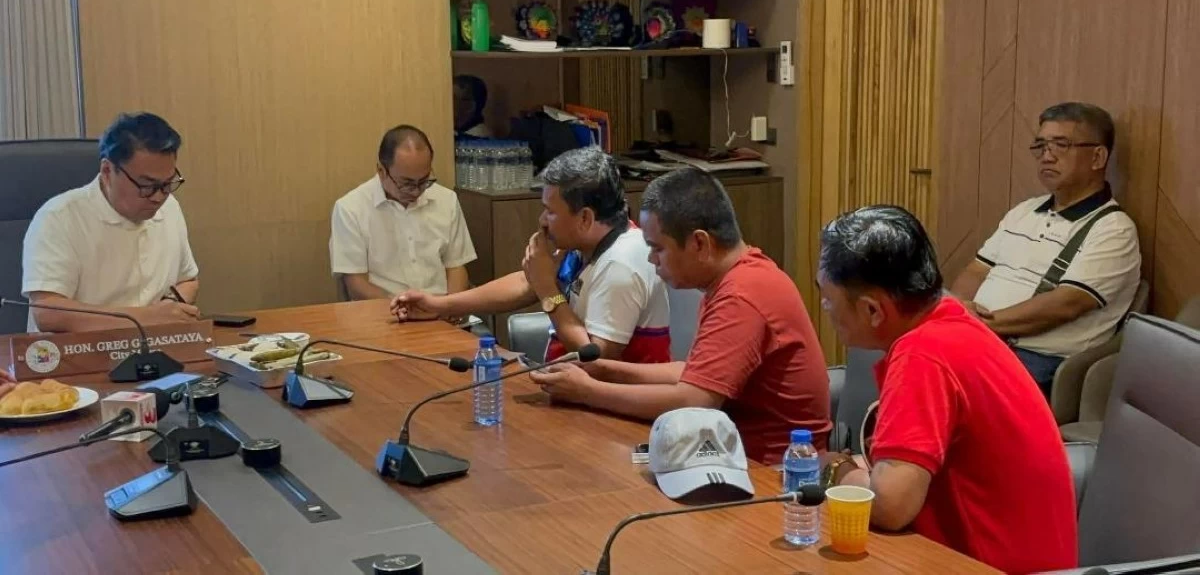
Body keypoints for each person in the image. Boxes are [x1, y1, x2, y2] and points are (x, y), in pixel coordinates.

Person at [816, 205, 1077, 574]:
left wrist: (836, 469)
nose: (825, 308)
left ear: (874, 311)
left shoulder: (923, 354)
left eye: (828, 297)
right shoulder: (954, 325)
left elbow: (890, 506)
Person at [528, 168, 830, 464]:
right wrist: (603, 370)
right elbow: (694, 373)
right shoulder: (734, 277)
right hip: (728, 452)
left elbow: (695, 402)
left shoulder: (742, 294)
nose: (650, 259)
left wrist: (588, 392)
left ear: (699, 243)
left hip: (777, 469)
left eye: (657, 248)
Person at [392, 147, 670, 363]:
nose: (542, 220)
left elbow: (595, 356)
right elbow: (527, 284)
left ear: (585, 218)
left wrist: (546, 287)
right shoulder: (587, 242)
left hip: (616, 416)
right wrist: (439, 305)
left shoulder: (621, 263)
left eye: (550, 210)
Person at [950, 102, 1141, 396]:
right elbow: (977, 270)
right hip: (982, 338)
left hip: (1039, 361)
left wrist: (979, 324)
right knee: (903, 354)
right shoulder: (1024, 211)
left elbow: (1067, 304)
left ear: (1098, 157)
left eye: (1061, 145)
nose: (1046, 156)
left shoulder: (1113, 229)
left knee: (942, 386)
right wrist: (958, 308)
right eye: (1041, 145)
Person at [22, 112, 200, 333]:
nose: (158, 197)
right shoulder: (58, 218)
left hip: (152, 352)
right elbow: (48, 313)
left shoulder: (170, 207)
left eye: (167, 183)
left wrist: (169, 307)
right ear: (107, 171)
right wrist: (146, 318)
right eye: (146, 185)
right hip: (74, 356)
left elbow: (189, 280)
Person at [330, 125, 476, 302]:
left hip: (441, 310)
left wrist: (450, 307)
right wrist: (404, 309)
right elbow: (356, 285)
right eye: (406, 183)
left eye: (423, 181)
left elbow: (456, 267)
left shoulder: (446, 200)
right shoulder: (350, 209)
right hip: (383, 314)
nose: (415, 192)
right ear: (381, 171)